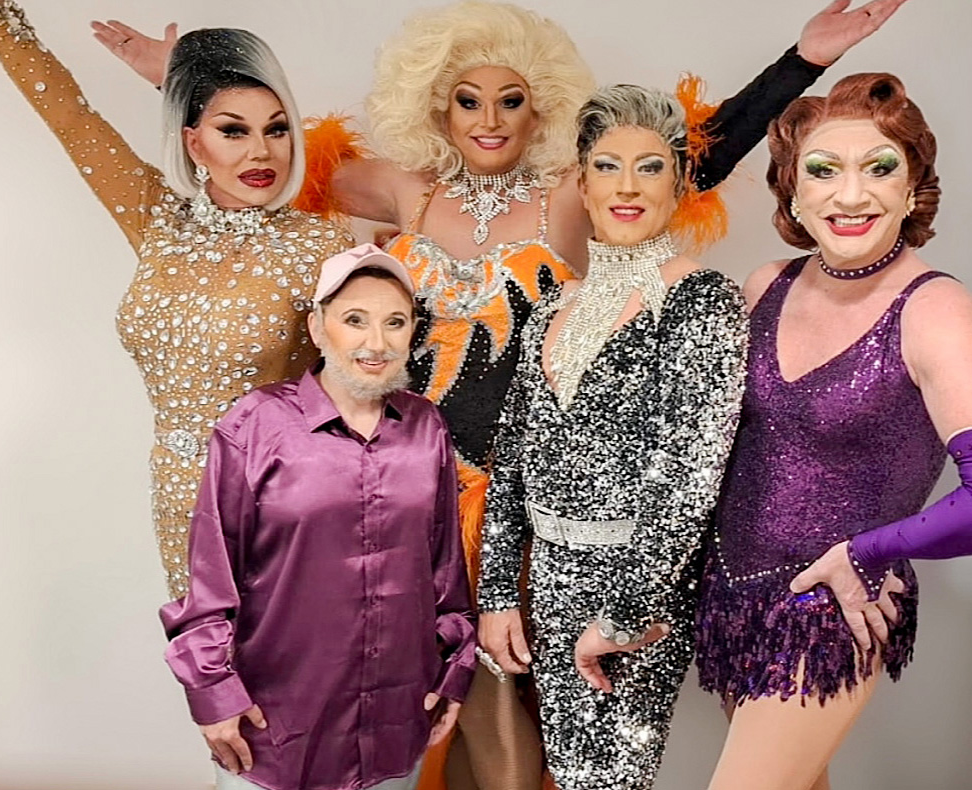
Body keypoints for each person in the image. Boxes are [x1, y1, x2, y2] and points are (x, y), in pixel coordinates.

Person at [95, 4, 908, 787]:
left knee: (533, 711)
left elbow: (679, 156)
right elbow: (271, 150)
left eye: (511, 100)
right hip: (408, 491)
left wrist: (803, 61)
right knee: (421, 696)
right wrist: (185, 81)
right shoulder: (406, 191)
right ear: (435, 105)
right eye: (468, 99)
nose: (489, 120)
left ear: (541, 108)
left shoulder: (569, 193)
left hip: (521, 502)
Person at [694, 72, 972, 790]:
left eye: (878, 168)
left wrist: (867, 552)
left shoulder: (933, 309)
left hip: (825, 609)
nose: (850, 196)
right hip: (729, 596)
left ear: (913, 187)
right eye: (824, 171)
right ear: (793, 191)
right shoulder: (767, 286)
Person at [0, 0, 356, 600]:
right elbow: (69, 116)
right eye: (234, 131)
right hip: (178, 495)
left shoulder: (320, 244)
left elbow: (363, 384)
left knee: (289, 654)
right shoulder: (159, 221)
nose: (261, 152)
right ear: (193, 143)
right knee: (203, 651)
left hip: (283, 497)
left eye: (277, 129)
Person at [477, 84, 749, 790]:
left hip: (637, 593)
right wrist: (498, 593)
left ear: (679, 184)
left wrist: (625, 615)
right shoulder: (551, 306)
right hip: (547, 584)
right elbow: (512, 458)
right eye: (608, 166)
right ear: (582, 183)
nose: (627, 186)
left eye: (650, 167)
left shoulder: (702, 300)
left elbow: (689, 478)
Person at [160, 244, 476, 790]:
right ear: (317, 326)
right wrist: (212, 693)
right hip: (274, 728)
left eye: (395, 322)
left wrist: (454, 671)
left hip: (395, 727)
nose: (376, 342)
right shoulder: (256, 423)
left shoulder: (427, 428)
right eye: (355, 320)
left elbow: (445, 571)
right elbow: (212, 576)